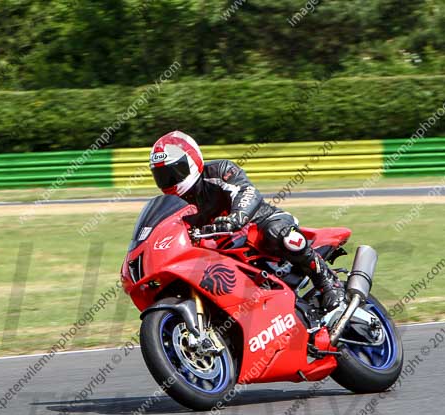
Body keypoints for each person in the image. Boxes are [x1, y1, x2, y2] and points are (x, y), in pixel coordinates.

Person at [148, 130, 345, 312]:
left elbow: (247, 191)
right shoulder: (174, 204)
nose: (170, 181)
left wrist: (237, 217)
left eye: (173, 172)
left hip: (257, 224)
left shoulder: (219, 171)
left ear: (191, 161)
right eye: (163, 176)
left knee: (281, 234)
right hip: (221, 248)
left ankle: (328, 283)